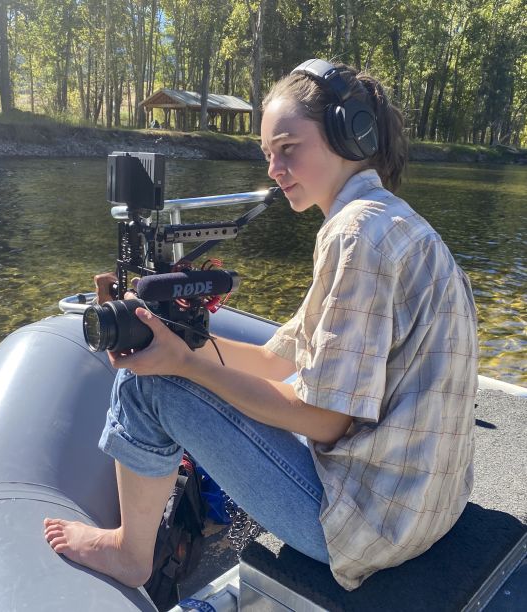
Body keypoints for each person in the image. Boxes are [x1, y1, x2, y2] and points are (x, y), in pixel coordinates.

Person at [44, 59, 478, 591]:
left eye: (288, 148)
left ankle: (130, 551)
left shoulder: (355, 234)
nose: (274, 168)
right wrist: (176, 337)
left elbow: (327, 422)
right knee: (200, 372)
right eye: (268, 155)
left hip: (366, 528)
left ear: (349, 134)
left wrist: (179, 366)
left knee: (146, 386)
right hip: (429, 507)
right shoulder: (394, 222)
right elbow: (278, 357)